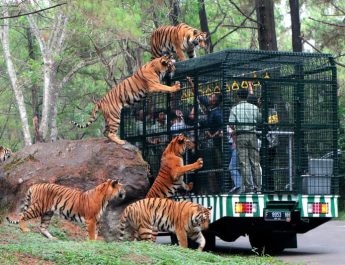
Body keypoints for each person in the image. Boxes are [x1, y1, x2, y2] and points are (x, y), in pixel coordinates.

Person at [229, 88, 262, 194]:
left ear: (238, 96)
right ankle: (259, 188)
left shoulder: (235, 109)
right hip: (253, 136)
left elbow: (231, 123)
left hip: (241, 136)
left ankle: (249, 188)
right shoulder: (254, 108)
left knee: (244, 163)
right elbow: (259, 120)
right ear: (247, 96)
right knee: (255, 163)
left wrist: (236, 129)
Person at [228, 126, 242, 194]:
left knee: (232, 167)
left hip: (238, 146)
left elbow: (234, 130)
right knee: (245, 166)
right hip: (241, 145)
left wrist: (235, 143)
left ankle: (239, 185)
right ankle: (241, 185)